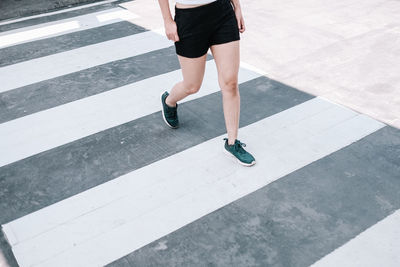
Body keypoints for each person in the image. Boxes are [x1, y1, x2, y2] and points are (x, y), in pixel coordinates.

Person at [158, 0, 256, 166]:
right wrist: (167, 20)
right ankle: (169, 101)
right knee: (192, 86)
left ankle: (232, 142)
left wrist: (237, 7)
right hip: (189, 18)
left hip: (222, 12)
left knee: (230, 83)